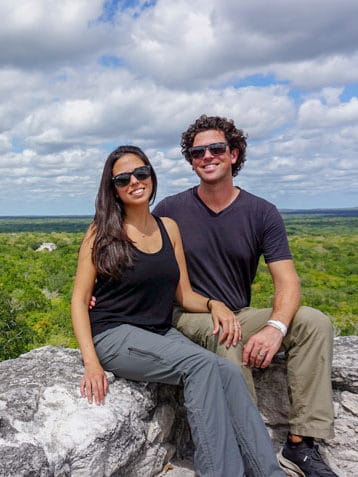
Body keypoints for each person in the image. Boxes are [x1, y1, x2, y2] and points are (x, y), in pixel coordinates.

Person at [71, 145, 285, 477]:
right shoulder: (101, 232)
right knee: (200, 365)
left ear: (151, 175)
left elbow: (184, 294)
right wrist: (91, 362)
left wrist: (215, 304)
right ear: (112, 188)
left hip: (158, 331)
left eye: (141, 173)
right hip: (114, 333)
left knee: (227, 372)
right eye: (123, 178)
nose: (135, 182)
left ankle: (268, 472)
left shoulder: (168, 228)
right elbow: (78, 299)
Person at [153, 115, 339, 477]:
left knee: (315, 322)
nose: (207, 156)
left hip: (237, 311)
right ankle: (249, 451)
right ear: (190, 160)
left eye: (216, 148)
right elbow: (136, 257)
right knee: (228, 333)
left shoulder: (261, 212)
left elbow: (287, 283)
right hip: (187, 312)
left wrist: (275, 327)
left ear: (234, 154)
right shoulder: (170, 210)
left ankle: (301, 444)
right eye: (197, 152)